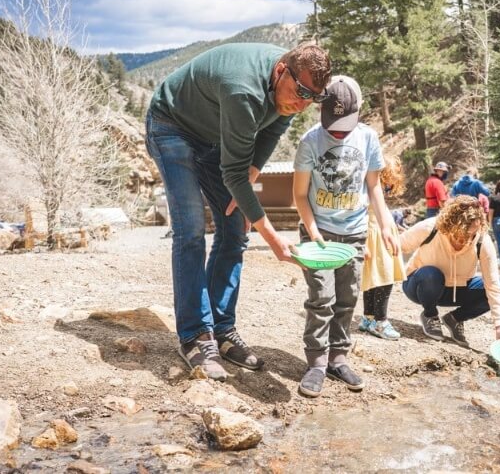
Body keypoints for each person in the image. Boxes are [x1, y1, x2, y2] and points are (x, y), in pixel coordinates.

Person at [146, 42, 331, 381]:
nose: (303, 103)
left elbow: (274, 127)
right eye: (301, 91)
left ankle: (220, 327)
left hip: (212, 135)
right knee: (190, 230)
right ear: (280, 71)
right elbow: (231, 172)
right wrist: (272, 236)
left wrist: (252, 174)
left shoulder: (288, 91)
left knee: (234, 228)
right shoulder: (243, 90)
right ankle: (194, 335)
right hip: (171, 126)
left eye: (314, 98)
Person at [293, 75, 398, 398]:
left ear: (359, 110)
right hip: (318, 232)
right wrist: (312, 233)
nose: (338, 131)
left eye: (345, 124)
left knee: (347, 297)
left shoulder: (367, 138)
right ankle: (316, 363)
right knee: (321, 298)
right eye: (333, 124)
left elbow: (374, 186)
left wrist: (385, 224)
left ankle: (339, 358)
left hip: (354, 234)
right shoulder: (310, 142)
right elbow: (299, 195)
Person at [400, 195, 500, 348]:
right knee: (431, 274)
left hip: (457, 289)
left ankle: (455, 319)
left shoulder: (481, 240)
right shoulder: (431, 228)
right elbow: (396, 245)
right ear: (451, 224)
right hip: (421, 285)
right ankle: (430, 315)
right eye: (463, 233)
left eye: (472, 234)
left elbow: (493, 285)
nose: (468, 238)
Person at [359, 155, 407, 340]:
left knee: (375, 278)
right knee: (384, 277)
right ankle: (380, 321)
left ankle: (368, 318)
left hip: (381, 233)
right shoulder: (368, 187)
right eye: (388, 180)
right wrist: (362, 242)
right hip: (374, 234)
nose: (389, 186)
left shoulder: (373, 187)